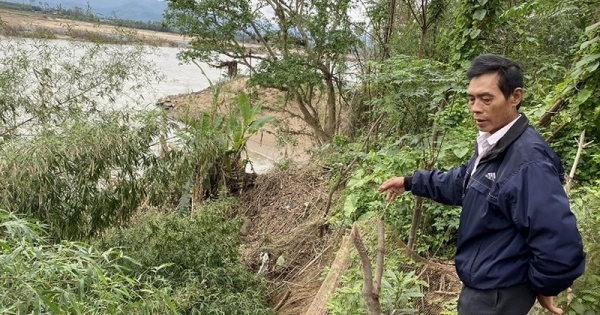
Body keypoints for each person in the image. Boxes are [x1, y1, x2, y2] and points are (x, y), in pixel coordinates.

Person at [378, 54, 585, 315]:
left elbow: (558, 239)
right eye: (471, 98)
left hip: (498, 294)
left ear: (515, 97)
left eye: (486, 99)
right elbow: (462, 183)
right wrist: (410, 182)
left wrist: (545, 286)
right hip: (487, 285)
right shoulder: (493, 143)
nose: (475, 108)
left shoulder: (528, 162)